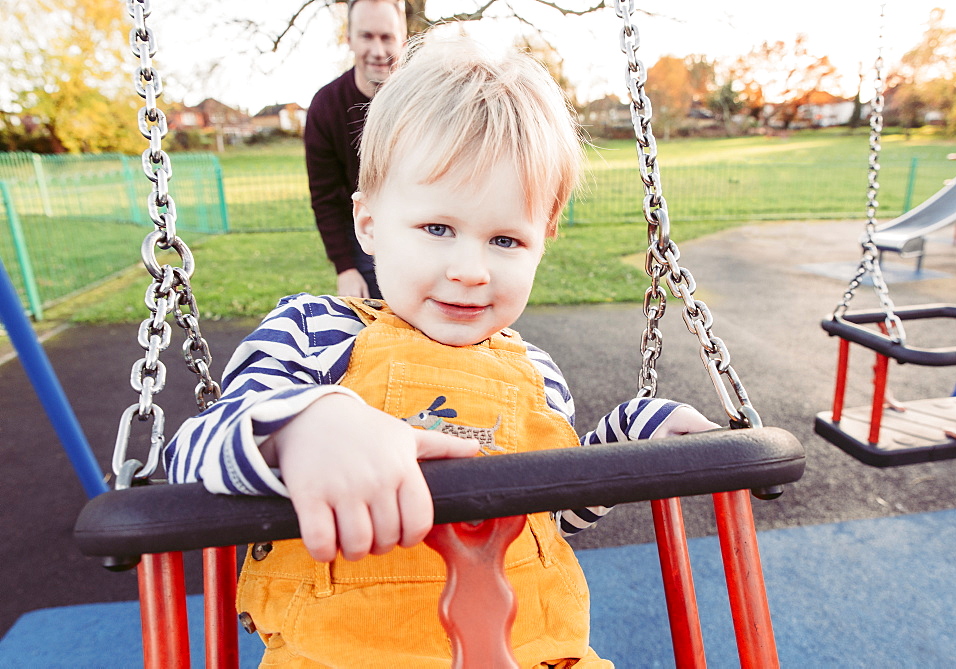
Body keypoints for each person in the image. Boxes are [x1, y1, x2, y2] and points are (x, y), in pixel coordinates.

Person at [166, 36, 718, 668]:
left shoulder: (537, 373)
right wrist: (300, 426)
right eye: (437, 229)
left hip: (538, 655)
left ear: (545, 240)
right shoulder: (314, 332)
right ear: (368, 222)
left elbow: (547, 519)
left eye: (506, 239)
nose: (470, 269)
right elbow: (194, 449)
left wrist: (628, 439)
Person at [304, 0, 407, 299]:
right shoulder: (326, 106)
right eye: (367, 36)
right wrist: (345, 268)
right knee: (377, 320)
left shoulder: (426, 99)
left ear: (402, 39)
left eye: (387, 37)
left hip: (428, 220)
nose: (377, 50)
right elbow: (325, 197)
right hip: (367, 225)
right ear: (348, 40)